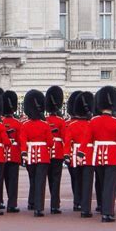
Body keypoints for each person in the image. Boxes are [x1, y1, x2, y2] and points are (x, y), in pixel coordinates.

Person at [79, 86, 116, 223]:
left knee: (102, 183)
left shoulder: (94, 121)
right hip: (112, 156)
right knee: (109, 185)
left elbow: (87, 138)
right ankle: (107, 213)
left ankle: (103, 209)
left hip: (98, 156)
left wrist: (81, 153)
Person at [20, 89, 54, 217]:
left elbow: (23, 141)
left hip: (30, 155)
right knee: (40, 181)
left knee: (32, 179)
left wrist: (24, 153)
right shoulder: (45, 125)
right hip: (43, 156)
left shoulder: (25, 125)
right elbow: (50, 143)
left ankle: (31, 202)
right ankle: (38, 208)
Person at [64, 91, 94, 218]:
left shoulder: (71, 125)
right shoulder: (91, 125)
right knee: (87, 181)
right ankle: (85, 206)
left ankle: (77, 203)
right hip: (89, 154)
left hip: (75, 155)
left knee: (76, 180)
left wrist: (67, 155)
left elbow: (67, 142)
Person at [45, 86, 66, 214]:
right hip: (57, 151)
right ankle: (55, 205)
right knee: (56, 179)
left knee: (47, 178)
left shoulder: (45, 121)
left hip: (46, 151)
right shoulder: (60, 121)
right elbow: (65, 137)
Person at [2, 90, 22, 213]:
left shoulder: (1, 122)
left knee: (2, 179)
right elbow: (20, 140)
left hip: (2, 153)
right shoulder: (17, 123)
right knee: (13, 180)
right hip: (14, 152)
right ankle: (12, 204)